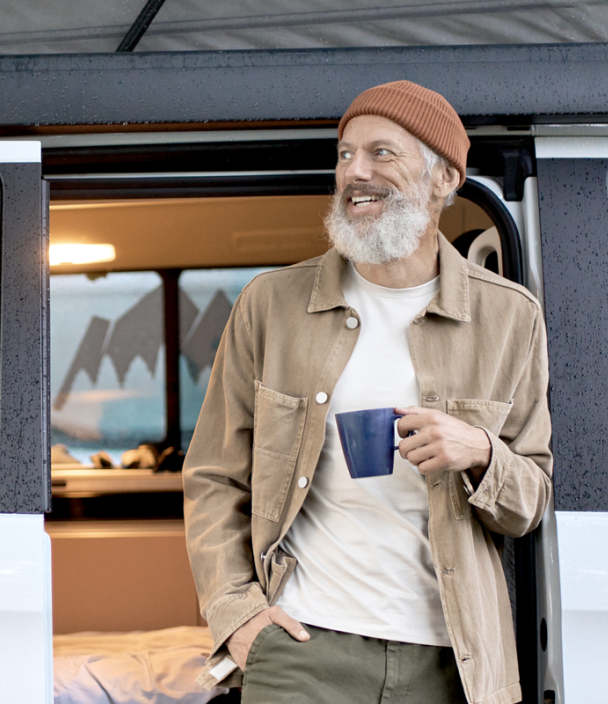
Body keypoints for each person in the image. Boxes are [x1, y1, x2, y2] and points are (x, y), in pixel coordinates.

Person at [183, 80, 553, 704]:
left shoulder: (510, 318)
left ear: (444, 179)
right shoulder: (270, 306)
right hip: (303, 650)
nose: (355, 172)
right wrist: (237, 616)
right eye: (345, 154)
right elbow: (215, 477)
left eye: (382, 153)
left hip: (454, 660)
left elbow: (531, 500)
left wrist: (480, 451)